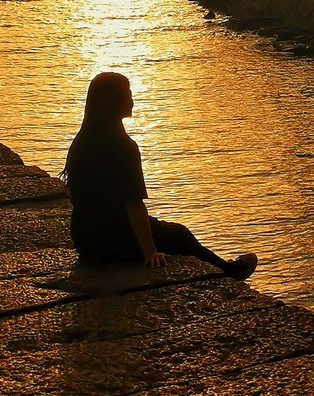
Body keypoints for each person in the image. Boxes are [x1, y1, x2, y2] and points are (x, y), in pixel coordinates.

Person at [63, 72, 257, 280]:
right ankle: (229, 271)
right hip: (111, 242)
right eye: (128, 94)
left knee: (157, 225)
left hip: (85, 240)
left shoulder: (82, 140)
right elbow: (134, 205)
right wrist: (150, 252)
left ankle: (225, 268)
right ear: (115, 101)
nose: (132, 100)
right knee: (179, 235)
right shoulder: (124, 147)